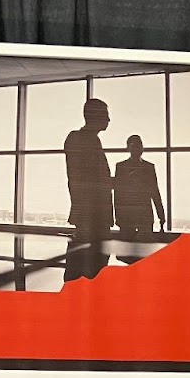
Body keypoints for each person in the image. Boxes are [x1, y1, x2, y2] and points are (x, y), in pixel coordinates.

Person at [63, 98, 114, 281]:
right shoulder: (82, 140)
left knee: (86, 270)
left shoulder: (87, 140)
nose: (109, 120)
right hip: (92, 217)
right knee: (89, 271)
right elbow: (84, 180)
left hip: (92, 217)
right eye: (106, 116)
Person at [113, 136, 166, 238]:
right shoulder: (122, 167)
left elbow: (155, 192)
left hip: (141, 216)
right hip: (130, 216)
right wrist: (118, 217)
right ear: (128, 148)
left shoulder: (148, 167)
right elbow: (118, 194)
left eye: (139, 145)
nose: (137, 148)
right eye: (134, 146)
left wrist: (161, 215)